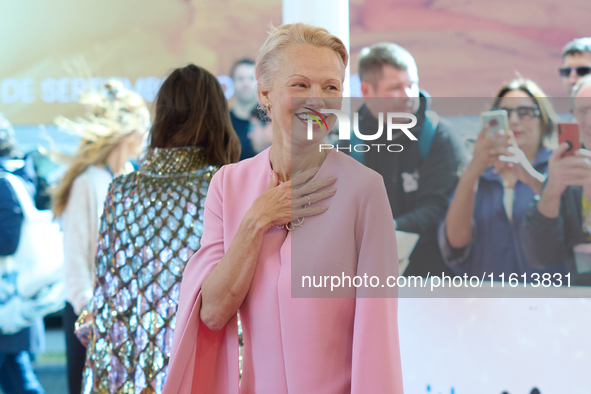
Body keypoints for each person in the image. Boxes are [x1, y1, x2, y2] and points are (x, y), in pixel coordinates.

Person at [163, 23, 403, 393]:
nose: (317, 100)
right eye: (300, 85)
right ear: (265, 92)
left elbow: (378, 334)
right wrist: (257, 219)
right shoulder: (228, 185)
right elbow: (211, 313)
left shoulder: (365, 191)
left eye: (331, 87)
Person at [78, 64, 240, 394]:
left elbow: (109, 293)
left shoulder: (121, 190)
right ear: (217, 117)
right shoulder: (224, 186)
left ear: (161, 116)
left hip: (137, 361)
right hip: (202, 356)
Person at [51, 81, 150, 394]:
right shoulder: (88, 182)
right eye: (145, 126)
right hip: (91, 317)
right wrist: (89, 313)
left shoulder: (129, 176)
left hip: (123, 315)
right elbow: (76, 258)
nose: (147, 135)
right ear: (129, 131)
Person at [357, 42, 468, 277]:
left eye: (412, 85)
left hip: (434, 283)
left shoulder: (441, 137)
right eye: (396, 87)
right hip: (368, 282)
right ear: (367, 91)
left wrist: (386, 230)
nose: (408, 96)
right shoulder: (347, 144)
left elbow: (439, 210)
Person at [439, 78, 566, 280]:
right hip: (488, 300)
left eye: (525, 112)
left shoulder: (558, 167)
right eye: (505, 114)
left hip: (550, 298)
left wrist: (530, 176)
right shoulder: (480, 175)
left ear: (543, 121)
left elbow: (572, 223)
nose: (514, 120)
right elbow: (455, 243)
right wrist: (473, 170)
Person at [521, 75, 591, 285]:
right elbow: (541, 256)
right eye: (582, 111)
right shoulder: (568, 168)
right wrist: (551, 190)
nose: (588, 120)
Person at [0, 114, 45, 394]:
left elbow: (7, 241)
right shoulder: (14, 177)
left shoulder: (5, 183)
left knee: (20, 381)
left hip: (8, 300)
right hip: (10, 300)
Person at [229, 58, 258, 160]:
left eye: (251, 78)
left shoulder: (270, 121)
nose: (246, 83)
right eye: (240, 78)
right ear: (232, 82)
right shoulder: (223, 122)